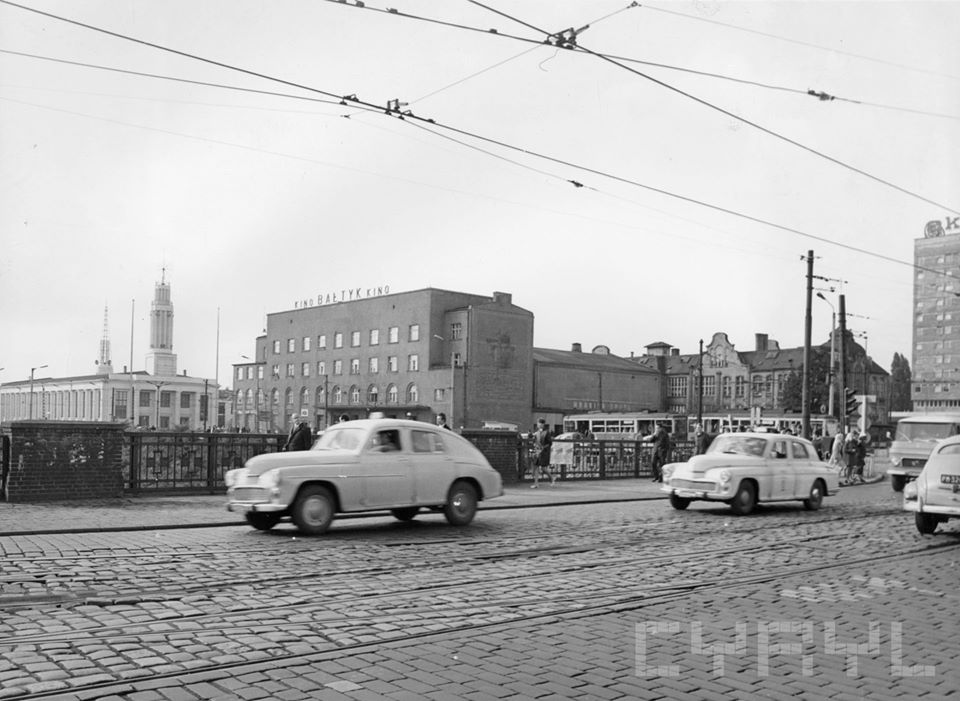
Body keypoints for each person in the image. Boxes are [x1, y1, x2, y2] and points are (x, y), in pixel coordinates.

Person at [531, 418, 557, 488]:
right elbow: (535, 442)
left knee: (543, 468)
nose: (539, 425)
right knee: (536, 467)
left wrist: (543, 447)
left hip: (544, 452)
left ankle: (551, 478)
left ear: (543, 424)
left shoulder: (546, 432)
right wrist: (535, 445)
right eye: (538, 423)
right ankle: (536, 483)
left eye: (540, 423)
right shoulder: (536, 432)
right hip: (537, 452)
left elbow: (550, 443)